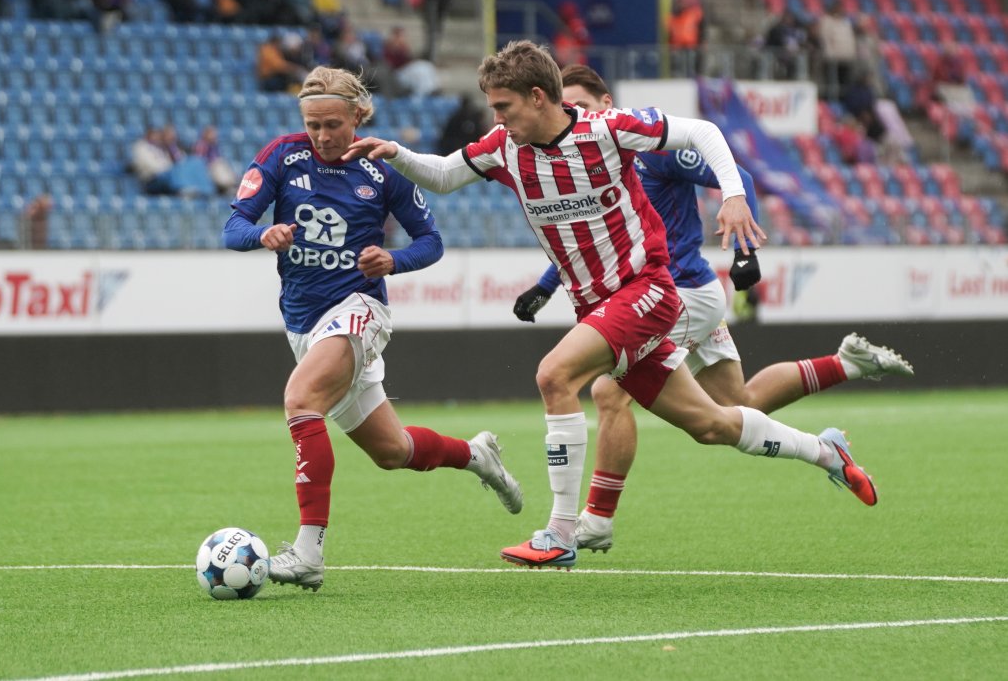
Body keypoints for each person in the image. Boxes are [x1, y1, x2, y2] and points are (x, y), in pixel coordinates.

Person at [344, 40, 880, 571]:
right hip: (597, 305)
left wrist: (734, 195)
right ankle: (825, 452)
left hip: (645, 290)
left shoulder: (608, 129)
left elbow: (705, 132)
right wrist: (397, 154)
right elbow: (442, 174)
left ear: (537, 97)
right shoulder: (504, 148)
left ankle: (560, 532)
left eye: (502, 106)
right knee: (711, 423)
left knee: (555, 374)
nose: (496, 117)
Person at [512, 65, 914, 552]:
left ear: (605, 101)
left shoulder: (646, 149)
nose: (573, 113)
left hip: (676, 295)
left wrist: (746, 251)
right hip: (663, 297)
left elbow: (736, 174)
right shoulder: (580, 161)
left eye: (581, 103)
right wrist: (547, 283)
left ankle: (595, 519)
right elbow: (593, 242)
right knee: (733, 407)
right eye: (565, 105)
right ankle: (845, 367)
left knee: (608, 389)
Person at [221, 66, 523, 591]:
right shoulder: (280, 155)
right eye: (313, 125)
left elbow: (431, 240)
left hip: (360, 308)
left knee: (300, 398)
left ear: (358, 117)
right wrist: (261, 233)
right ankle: (477, 456)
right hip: (304, 323)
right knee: (394, 452)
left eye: (332, 124)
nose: (321, 136)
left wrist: (393, 260)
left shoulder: (383, 169)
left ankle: (309, 551)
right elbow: (233, 227)